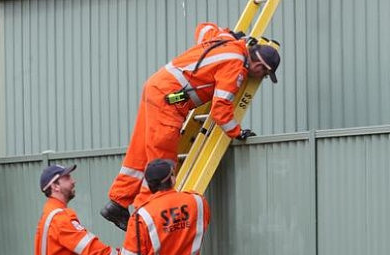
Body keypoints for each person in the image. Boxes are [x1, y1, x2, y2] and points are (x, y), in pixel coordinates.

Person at [100, 22, 281, 231]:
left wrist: (230, 33)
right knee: (163, 163)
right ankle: (147, 217)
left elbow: (203, 28)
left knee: (140, 152)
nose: (261, 77)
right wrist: (237, 132)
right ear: (260, 66)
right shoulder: (236, 67)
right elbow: (220, 109)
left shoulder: (225, 41)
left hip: (156, 88)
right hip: (170, 101)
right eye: (265, 75)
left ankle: (117, 203)